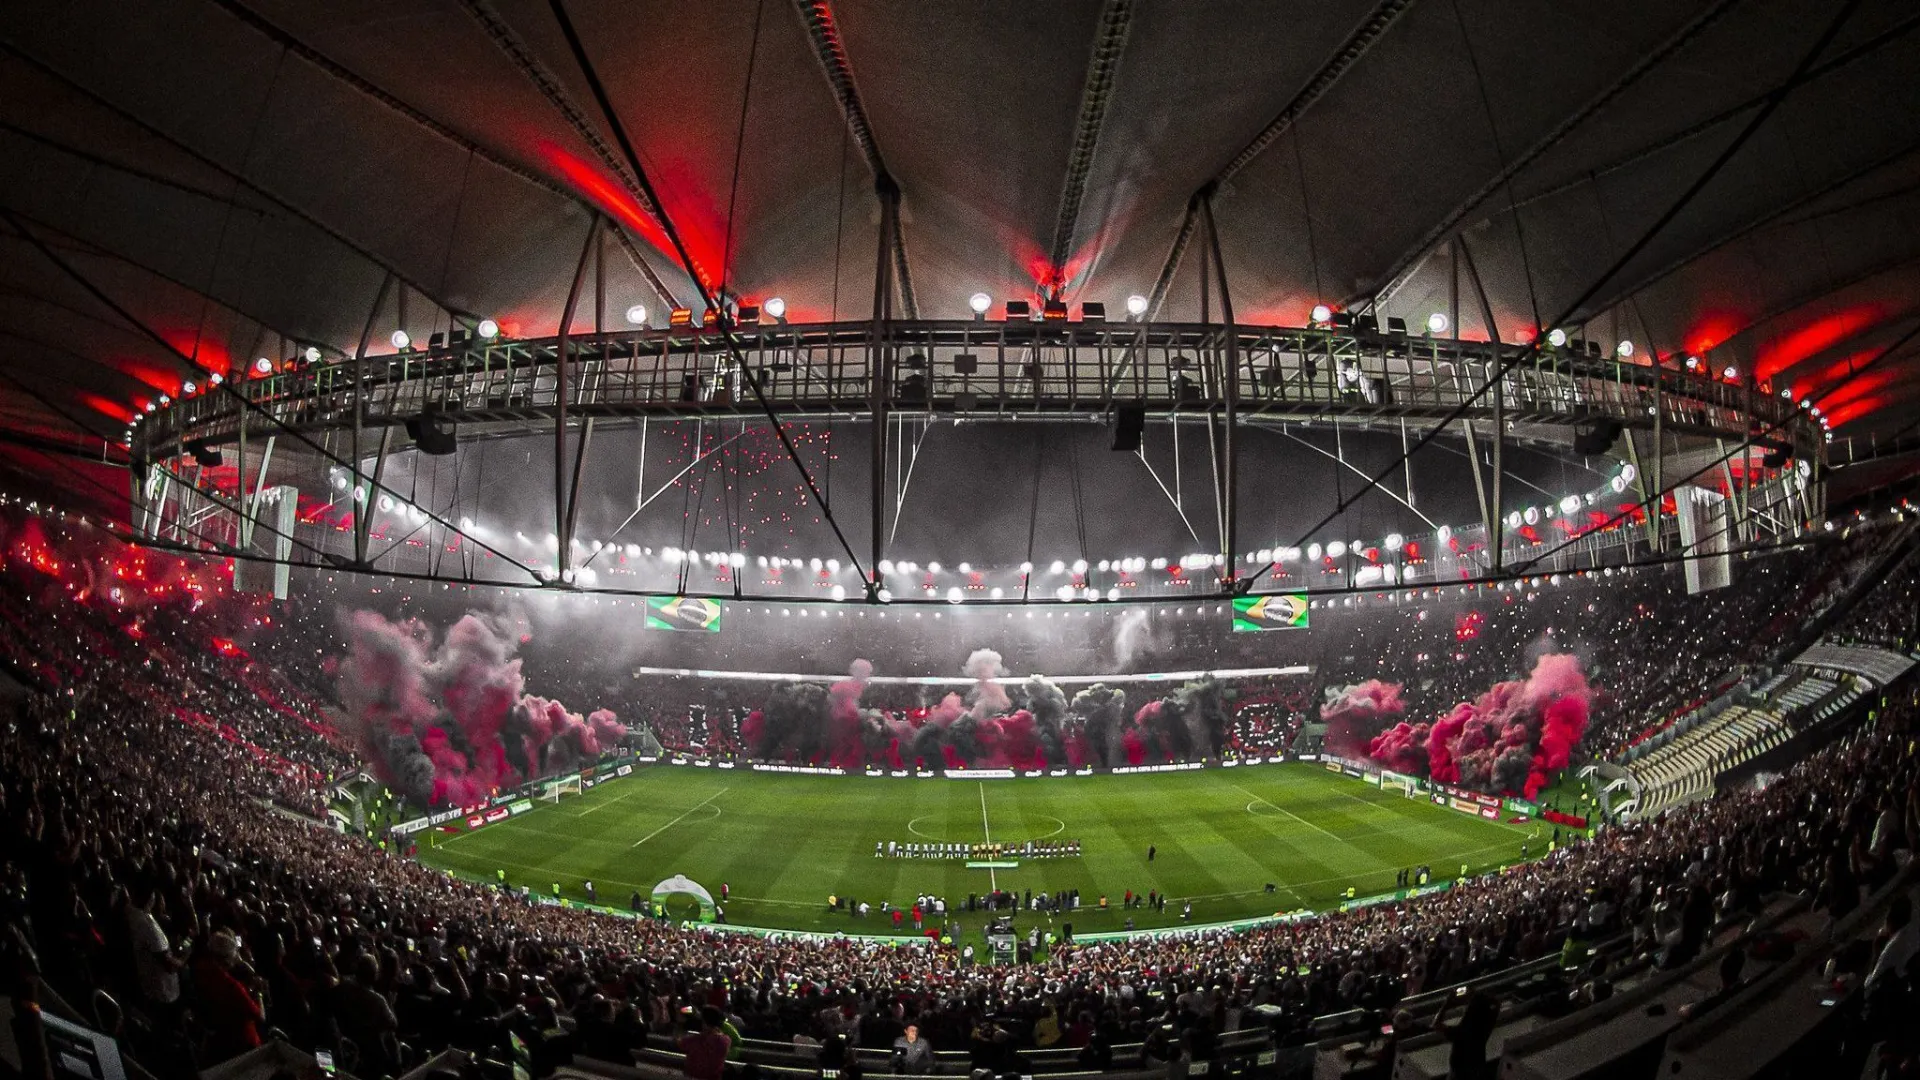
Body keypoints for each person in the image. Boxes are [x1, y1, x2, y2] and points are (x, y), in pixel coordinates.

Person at [1436, 988, 1498, 1080]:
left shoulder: (1461, 1032)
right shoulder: (1486, 1026)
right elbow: (1496, 1004)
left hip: (1458, 1073)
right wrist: (1479, 997)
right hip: (1477, 1068)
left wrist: (1446, 1004)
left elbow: (1436, 1025)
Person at [679, 1007, 732, 1080]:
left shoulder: (696, 1039)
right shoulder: (726, 1040)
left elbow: (681, 1043)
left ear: (704, 1022)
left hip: (694, 1076)